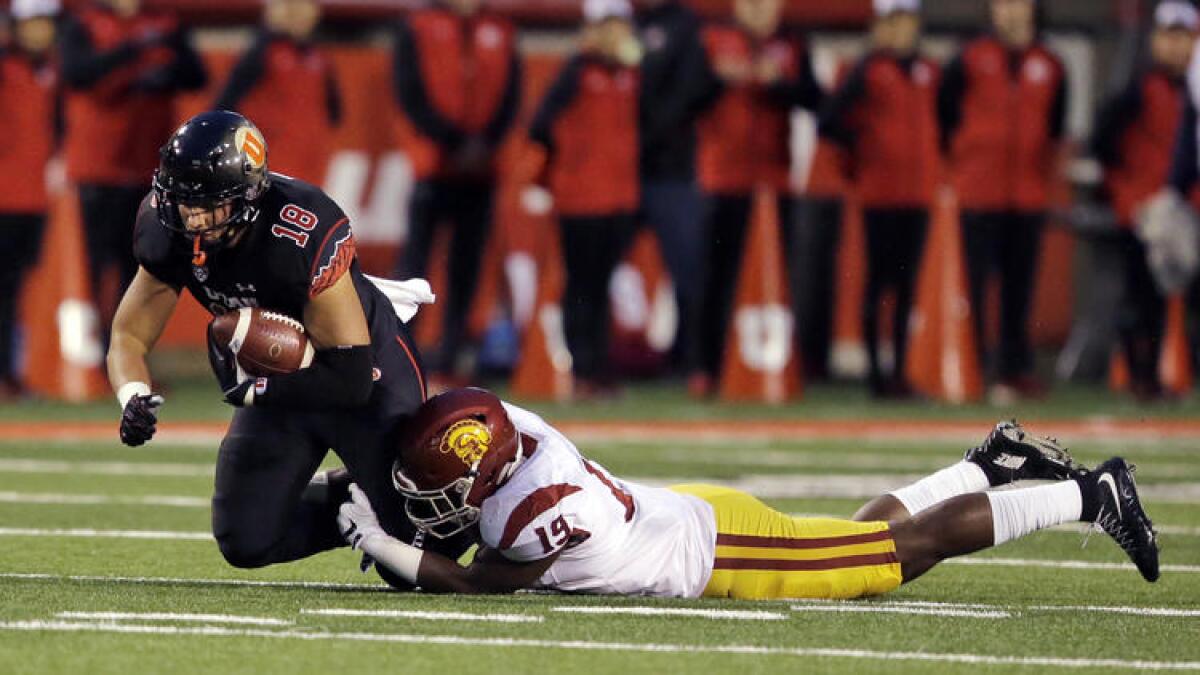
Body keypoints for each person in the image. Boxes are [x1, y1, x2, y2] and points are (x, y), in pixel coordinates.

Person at [106, 110, 471, 585]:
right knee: (247, 540)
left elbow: (352, 375)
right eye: (180, 202)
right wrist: (131, 395)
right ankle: (349, 503)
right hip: (280, 378)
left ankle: (393, 493)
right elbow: (127, 336)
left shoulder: (298, 229)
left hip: (361, 370)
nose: (191, 217)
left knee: (421, 556)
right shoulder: (165, 227)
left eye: (208, 204)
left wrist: (254, 391)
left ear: (248, 196)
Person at [336, 387, 1159, 597]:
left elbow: (483, 583)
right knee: (851, 537)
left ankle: (1089, 497)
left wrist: (384, 543)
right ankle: (990, 464)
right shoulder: (511, 426)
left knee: (891, 556)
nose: (431, 500)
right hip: (682, 513)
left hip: (715, 549)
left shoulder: (540, 504)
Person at [688, 0, 823, 396]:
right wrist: (718, 79)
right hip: (721, 179)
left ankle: (779, 361)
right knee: (715, 277)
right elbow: (681, 99)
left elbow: (816, 99)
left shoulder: (793, 45)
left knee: (776, 277)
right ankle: (705, 366)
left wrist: (777, 82)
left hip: (773, 184)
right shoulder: (712, 41)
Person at [938, 0, 1067, 403]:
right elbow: (945, 118)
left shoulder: (1051, 64)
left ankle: (1015, 368)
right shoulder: (968, 58)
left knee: (1019, 289)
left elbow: (1054, 129)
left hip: (1027, 194)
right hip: (979, 191)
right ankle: (974, 364)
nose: (1012, 11)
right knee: (972, 286)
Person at [58, 0, 207, 345]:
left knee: (140, 267)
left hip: (147, 167)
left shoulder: (165, 22)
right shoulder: (85, 24)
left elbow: (197, 75)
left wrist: (165, 73)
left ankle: (124, 352)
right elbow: (76, 74)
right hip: (97, 167)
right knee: (93, 267)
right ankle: (88, 352)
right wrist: (132, 53)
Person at [392, 0, 521, 385]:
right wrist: (451, 141)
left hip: (481, 167)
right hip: (434, 163)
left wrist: (486, 142)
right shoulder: (418, 26)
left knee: (467, 266)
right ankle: (401, 351)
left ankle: (451, 352)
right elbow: (410, 92)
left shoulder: (501, 29)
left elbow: (511, 97)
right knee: (416, 266)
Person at [819, 0, 938, 398]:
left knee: (906, 287)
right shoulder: (868, 70)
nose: (901, 32)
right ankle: (875, 374)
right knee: (878, 283)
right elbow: (830, 119)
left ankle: (899, 371)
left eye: (907, 23)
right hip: (880, 195)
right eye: (894, 23)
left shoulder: (928, 71)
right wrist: (861, 155)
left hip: (917, 193)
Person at [525, 0, 641, 396]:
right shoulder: (577, 72)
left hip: (619, 196)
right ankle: (581, 366)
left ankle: (598, 366)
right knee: (582, 283)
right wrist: (572, 163)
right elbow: (540, 123)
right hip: (580, 198)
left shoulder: (628, 75)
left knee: (601, 282)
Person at [1093, 1, 1197, 401]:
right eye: (1168, 36)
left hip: (1182, 208)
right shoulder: (1138, 86)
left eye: (1182, 36)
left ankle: (1153, 377)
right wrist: (1124, 188)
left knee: (1168, 297)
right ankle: (1141, 376)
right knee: (1141, 297)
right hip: (1143, 209)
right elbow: (1104, 140)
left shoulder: (1189, 87)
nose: (1174, 46)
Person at [635, 0, 714, 378]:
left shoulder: (684, 26)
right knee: (593, 266)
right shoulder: (625, 19)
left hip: (670, 169)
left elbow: (692, 91)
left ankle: (689, 358)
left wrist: (645, 138)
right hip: (620, 172)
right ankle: (590, 361)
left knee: (687, 270)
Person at [212, 0, 341, 185]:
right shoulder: (261, 52)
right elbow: (226, 100)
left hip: (310, 155)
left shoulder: (318, 57)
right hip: (270, 153)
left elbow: (334, 110)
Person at [0, 0, 59, 398]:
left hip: (32, 198)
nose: (41, 32)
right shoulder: (6, 68)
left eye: (46, 23)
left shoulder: (49, 70)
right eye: (32, 23)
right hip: (4, 198)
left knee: (14, 290)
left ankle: (9, 373)